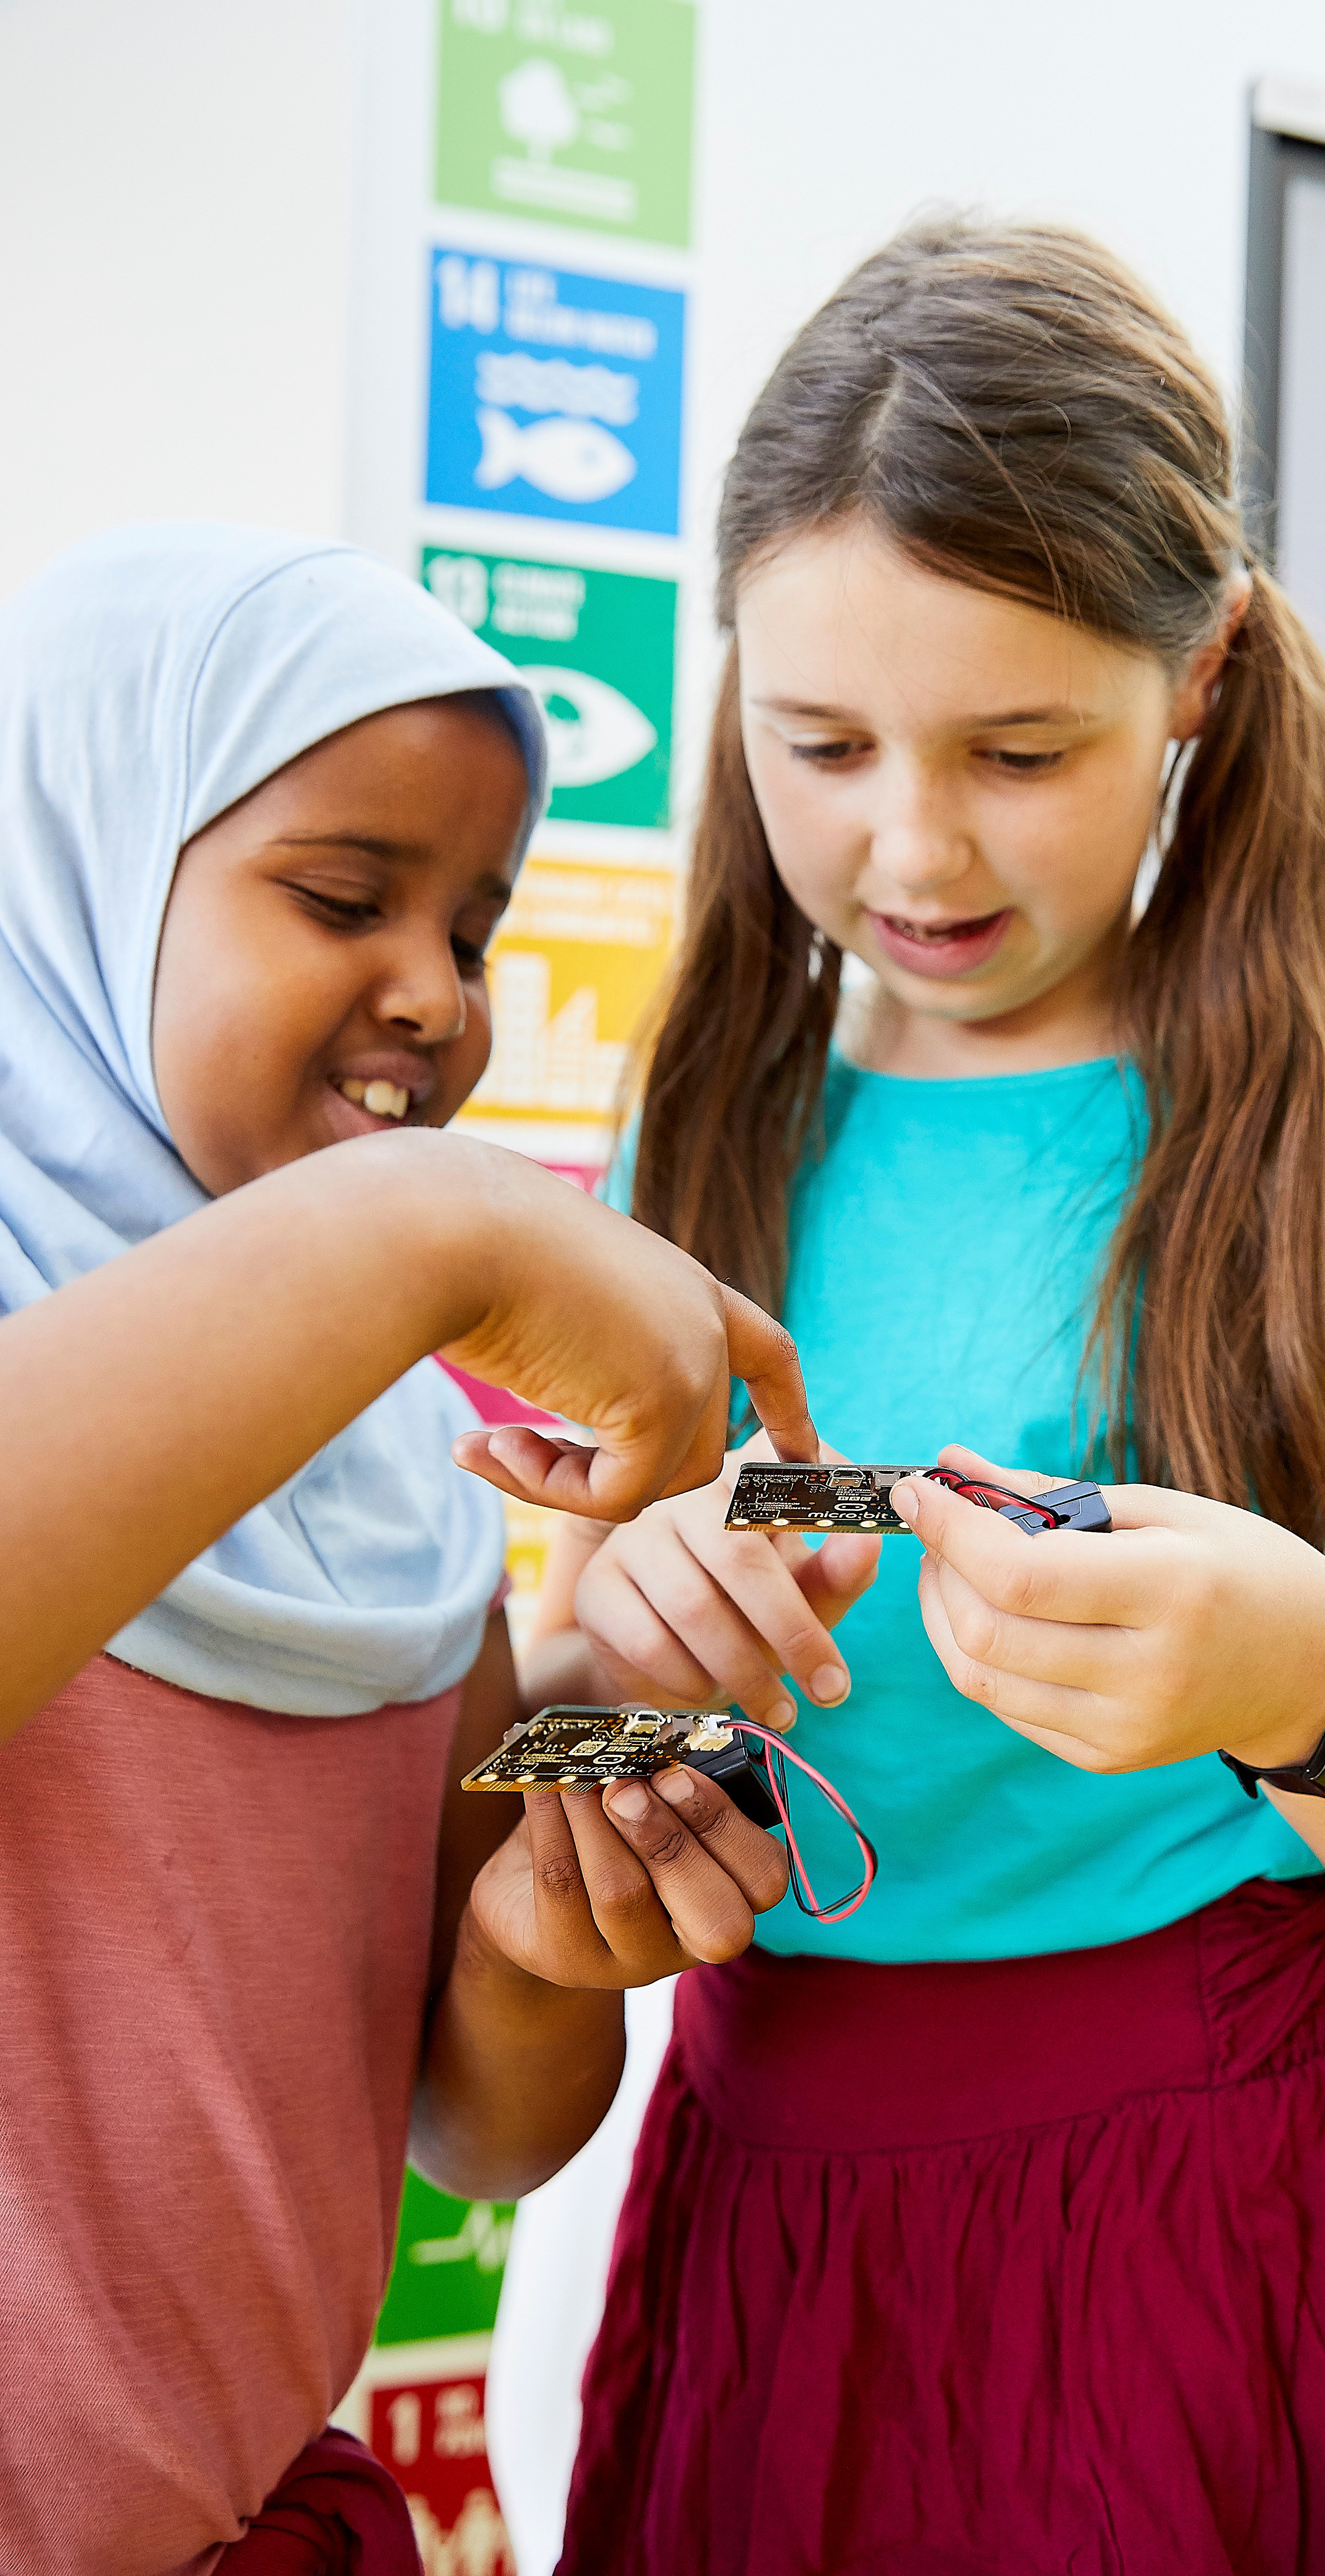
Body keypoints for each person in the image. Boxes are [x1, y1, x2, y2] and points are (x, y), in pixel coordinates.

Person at [502, 222, 1325, 2574]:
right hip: (778, 2203)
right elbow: (551, 1716)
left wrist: (1310, 1681)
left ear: (1198, 676)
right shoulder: (688, 1129)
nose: (908, 846)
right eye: (818, 743)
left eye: (1019, 751)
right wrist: (608, 1679)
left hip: (1227, 2204)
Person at [0, 525, 817, 2576]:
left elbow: (479, 2114)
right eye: (346, 898)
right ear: (71, 869)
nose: (439, 999)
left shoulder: (385, 1452)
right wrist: (423, 1228)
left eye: (477, 925)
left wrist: (591, 1786)